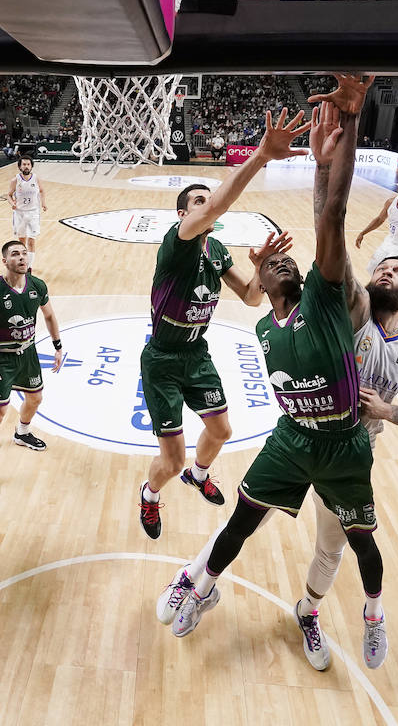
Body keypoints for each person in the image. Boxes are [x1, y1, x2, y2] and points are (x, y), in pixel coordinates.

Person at [166, 77, 395, 671]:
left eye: (285, 258)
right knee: (241, 520)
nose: (282, 260)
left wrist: (337, 140)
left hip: (345, 443)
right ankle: (201, 585)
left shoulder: (325, 298)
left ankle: (372, 614)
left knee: (363, 544)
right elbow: (243, 281)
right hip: (292, 439)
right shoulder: (264, 328)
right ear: (260, 283)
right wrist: (253, 263)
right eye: (271, 263)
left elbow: (333, 216)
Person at [136, 109, 309, 539]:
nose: (206, 204)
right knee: (169, 462)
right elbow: (220, 202)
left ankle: (199, 474)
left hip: (196, 353)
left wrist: (264, 269)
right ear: (183, 215)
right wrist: (261, 156)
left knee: (221, 429)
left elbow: (252, 298)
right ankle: (150, 493)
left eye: (204, 201)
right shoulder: (177, 245)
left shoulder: (216, 251)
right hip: (162, 358)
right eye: (197, 201)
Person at [0, 240, 65, 496]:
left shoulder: (37, 286)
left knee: (35, 398)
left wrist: (57, 345)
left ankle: (22, 432)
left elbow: (49, 315)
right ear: (5, 261)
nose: (22, 257)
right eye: (15, 254)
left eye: (24, 253)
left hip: (29, 353)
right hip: (1, 359)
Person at [10, 155, 47, 270]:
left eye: (28, 164)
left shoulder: (36, 178)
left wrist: (43, 203)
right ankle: (22, 264)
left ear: (31, 166)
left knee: (31, 240)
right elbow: (9, 195)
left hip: (33, 213)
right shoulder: (15, 180)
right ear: (20, 167)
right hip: (20, 213)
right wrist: (12, 203)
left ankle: (29, 267)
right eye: (24, 164)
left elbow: (41, 191)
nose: (26, 166)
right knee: (21, 242)